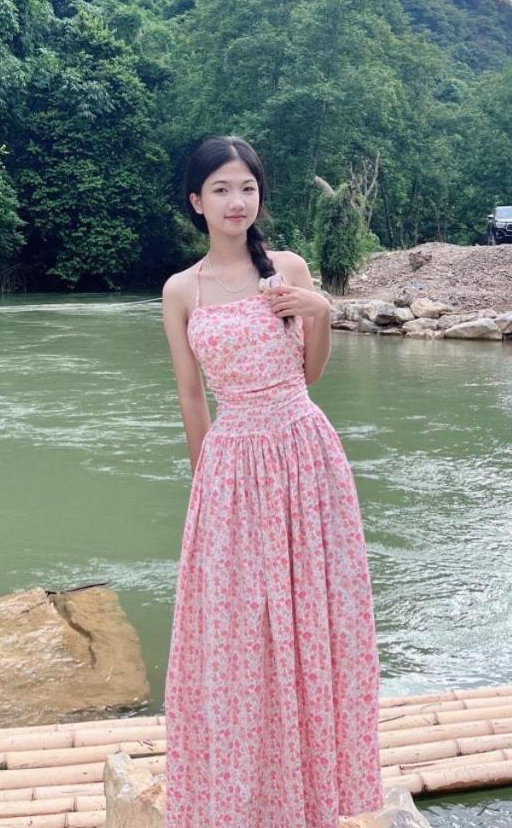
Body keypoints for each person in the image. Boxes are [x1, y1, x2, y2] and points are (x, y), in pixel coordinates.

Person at [160, 134, 384, 827]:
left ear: (260, 195)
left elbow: (309, 373)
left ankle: (312, 797)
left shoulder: (287, 270)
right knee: (235, 634)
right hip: (230, 466)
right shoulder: (181, 290)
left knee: (311, 620)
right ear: (196, 202)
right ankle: (240, 799)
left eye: (247, 188)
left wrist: (321, 314)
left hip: (304, 455)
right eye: (221, 189)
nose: (237, 201)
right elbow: (192, 397)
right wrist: (204, 487)